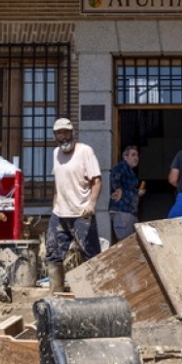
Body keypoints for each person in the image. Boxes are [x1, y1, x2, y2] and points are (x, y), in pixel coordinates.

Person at [46, 118, 102, 293]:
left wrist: (92, 203)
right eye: (59, 133)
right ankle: (56, 294)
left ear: (72, 133)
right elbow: (58, 182)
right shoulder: (56, 153)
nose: (63, 137)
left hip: (81, 212)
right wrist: (54, 203)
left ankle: (94, 292)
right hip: (60, 213)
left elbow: (97, 180)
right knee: (53, 254)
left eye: (66, 132)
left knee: (90, 253)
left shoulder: (85, 151)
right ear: (55, 135)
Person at [109, 145, 144, 242]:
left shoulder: (129, 171)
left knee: (130, 244)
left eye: (137, 155)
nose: (136, 158)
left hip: (129, 211)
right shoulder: (122, 167)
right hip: (123, 210)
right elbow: (115, 179)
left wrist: (137, 192)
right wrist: (118, 190)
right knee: (125, 243)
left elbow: (128, 188)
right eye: (133, 155)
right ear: (125, 157)